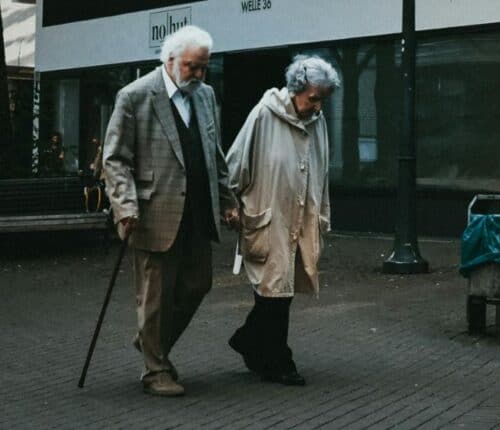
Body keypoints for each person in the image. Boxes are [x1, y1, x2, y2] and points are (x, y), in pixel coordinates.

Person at [102, 25, 239, 397]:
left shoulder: (206, 95)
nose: (198, 75)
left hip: (197, 211)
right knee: (156, 295)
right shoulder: (135, 96)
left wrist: (227, 201)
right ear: (170, 60)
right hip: (152, 212)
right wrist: (125, 206)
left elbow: (214, 153)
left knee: (198, 284)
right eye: (192, 67)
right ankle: (155, 370)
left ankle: (150, 342)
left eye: (204, 68)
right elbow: (114, 159)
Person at [225, 55, 339, 386]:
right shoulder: (264, 114)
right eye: (313, 98)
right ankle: (278, 360)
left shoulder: (318, 122)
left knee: (282, 289)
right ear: (296, 89)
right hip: (269, 213)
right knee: (274, 288)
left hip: (301, 216)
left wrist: (323, 213)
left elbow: (323, 170)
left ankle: (250, 343)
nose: (317, 107)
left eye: (322, 100)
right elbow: (236, 160)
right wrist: (230, 202)